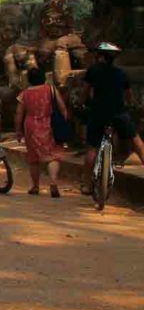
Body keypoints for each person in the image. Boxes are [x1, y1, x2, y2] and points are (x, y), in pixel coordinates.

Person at [81, 42, 144, 195]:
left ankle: (88, 185)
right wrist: (131, 105)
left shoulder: (93, 71)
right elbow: (129, 95)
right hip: (119, 113)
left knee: (92, 148)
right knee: (136, 140)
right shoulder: (120, 73)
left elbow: (86, 90)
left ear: (99, 56)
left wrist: (84, 103)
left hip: (98, 113)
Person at [15, 66, 67, 197]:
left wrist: (18, 131)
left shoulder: (24, 94)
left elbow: (19, 114)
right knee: (53, 155)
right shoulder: (51, 89)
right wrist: (63, 122)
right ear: (44, 78)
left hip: (31, 127)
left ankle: (35, 186)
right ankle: (53, 182)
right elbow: (62, 108)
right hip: (49, 124)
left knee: (33, 158)